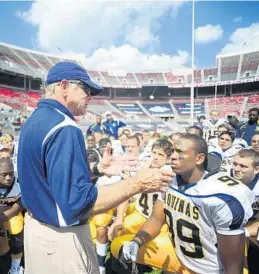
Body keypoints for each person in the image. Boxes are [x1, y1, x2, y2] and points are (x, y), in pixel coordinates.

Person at [17, 61, 174, 274]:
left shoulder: (36, 119)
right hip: (62, 240)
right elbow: (78, 203)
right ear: (64, 86)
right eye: (86, 89)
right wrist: (138, 182)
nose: (90, 97)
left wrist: (96, 170)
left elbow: (50, 178)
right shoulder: (64, 127)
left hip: (38, 231)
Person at [119, 134, 255, 273]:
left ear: (199, 158)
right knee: (119, 245)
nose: (172, 156)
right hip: (179, 254)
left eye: (180, 152)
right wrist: (137, 241)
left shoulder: (223, 195)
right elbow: (156, 218)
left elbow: (233, 262)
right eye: (173, 151)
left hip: (209, 269)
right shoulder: (170, 178)